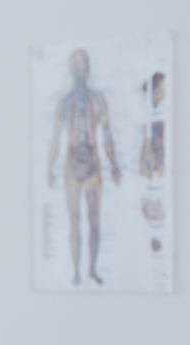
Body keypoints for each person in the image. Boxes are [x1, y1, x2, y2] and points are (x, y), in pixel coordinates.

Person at [47, 48, 121, 285]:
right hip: (71, 167)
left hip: (92, 166)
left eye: (85, 62)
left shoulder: (97, 99)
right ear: (72, 68)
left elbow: (107, 134)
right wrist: (50, 167)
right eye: (78, 62)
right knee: (75, 222)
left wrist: (114, 164)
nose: (83, 66)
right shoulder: (65, 102)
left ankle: (91, 269)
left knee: (94, 220)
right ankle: (77, 272)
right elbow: (56, 138)